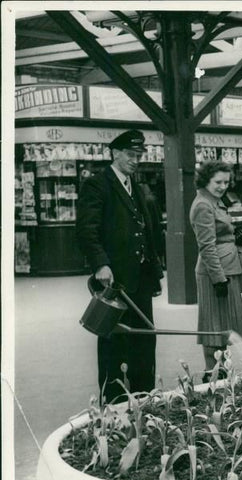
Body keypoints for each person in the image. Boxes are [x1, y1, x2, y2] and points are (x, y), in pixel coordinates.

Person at [76, 129, 164, 403]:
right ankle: (114, 402)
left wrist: (155, 272)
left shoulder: (136, 186)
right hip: (114, 280)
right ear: (115, 154)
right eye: (130, 155)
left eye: (139, 155)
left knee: (144, 339)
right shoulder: (98, 184)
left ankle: (143, 397)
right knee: (114, 342)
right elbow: (86, 229)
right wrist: (100, 264)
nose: (136, 160)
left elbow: (147, 230)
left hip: (140, 280)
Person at [189, 160, 242, 377]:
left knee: (223, 325)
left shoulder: (213, 201)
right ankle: (213, 373)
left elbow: (220, 234)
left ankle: (220, 371)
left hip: (225, 268)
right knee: (213, 326)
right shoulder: (204, 205)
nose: (223, 186)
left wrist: (236, 238)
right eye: (218, 182)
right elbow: (206, 246)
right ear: (206, 180)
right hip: (216, 272)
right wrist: (218, 278)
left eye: (226, 182)